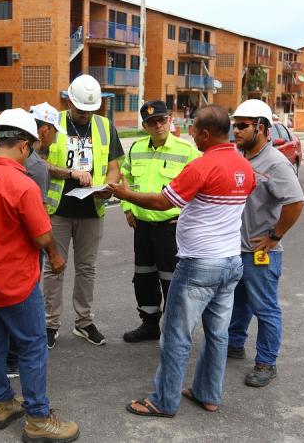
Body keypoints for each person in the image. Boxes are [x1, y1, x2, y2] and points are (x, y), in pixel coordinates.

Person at [109, 104, 255, 417]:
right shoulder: (243, 165)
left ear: (204, 133)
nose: (189, 134)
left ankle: (164, 400)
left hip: (200, 263)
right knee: (217, 333)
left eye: (193, 130)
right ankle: (207, 393)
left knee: (176, 334)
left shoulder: (203, 165)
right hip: (230, 262)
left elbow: (163, 201)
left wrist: (123, 195)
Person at [0, 109, 79, 442]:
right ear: (24, 146)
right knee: (33, 345)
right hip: (16, 281)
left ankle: (1, 403)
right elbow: (42, 235)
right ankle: (38, 419)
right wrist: (55, 256)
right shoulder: (22, 185)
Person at [227, 99, 304, 387]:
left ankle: (266, 363)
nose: (236, 131)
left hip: (260, 251)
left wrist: (275, 236)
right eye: (235, 125)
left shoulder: (275, 163)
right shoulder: (240, 157)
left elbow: (296, 202)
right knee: (239, 302)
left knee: (265, 307)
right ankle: (234, 344)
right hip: (237, 249)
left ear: (261, 128)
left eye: (242, 126)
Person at [43, 74, 123, 348]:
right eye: (81, 110)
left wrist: (108, 185)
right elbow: (38, 162)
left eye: (91, 110)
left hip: (92, 208)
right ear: (68, 101)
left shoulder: (104, 126)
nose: (86, 115)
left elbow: (114, 164)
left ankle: (84, 322)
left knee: (87, 269)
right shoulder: (54, 123)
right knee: (54, 267)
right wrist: (70, 173)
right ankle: (49, 324)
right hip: (59, 209)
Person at [120, 100, 199, 343]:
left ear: (170, 118)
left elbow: (200, 188)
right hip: (142, 228)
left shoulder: (187, 151)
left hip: (171, 229)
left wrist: (187, 217)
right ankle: (149, 323)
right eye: (152, 122)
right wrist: (127, 207)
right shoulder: (135, 148)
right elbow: (127, 176)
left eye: (162, 120)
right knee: (143, 277)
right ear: (144, 126)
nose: (158, 126)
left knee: (171, 280)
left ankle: (174, 329)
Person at [4, 101, 64, 378]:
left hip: (5, 246)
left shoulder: (10, 161)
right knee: (26, 303)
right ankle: (16, 358)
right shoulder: (35, 166)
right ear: (45, 129)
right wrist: (53, 253)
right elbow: (36, 216)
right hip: (28, 247)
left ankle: (7, 356)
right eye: (52, 131)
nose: (53, 137)